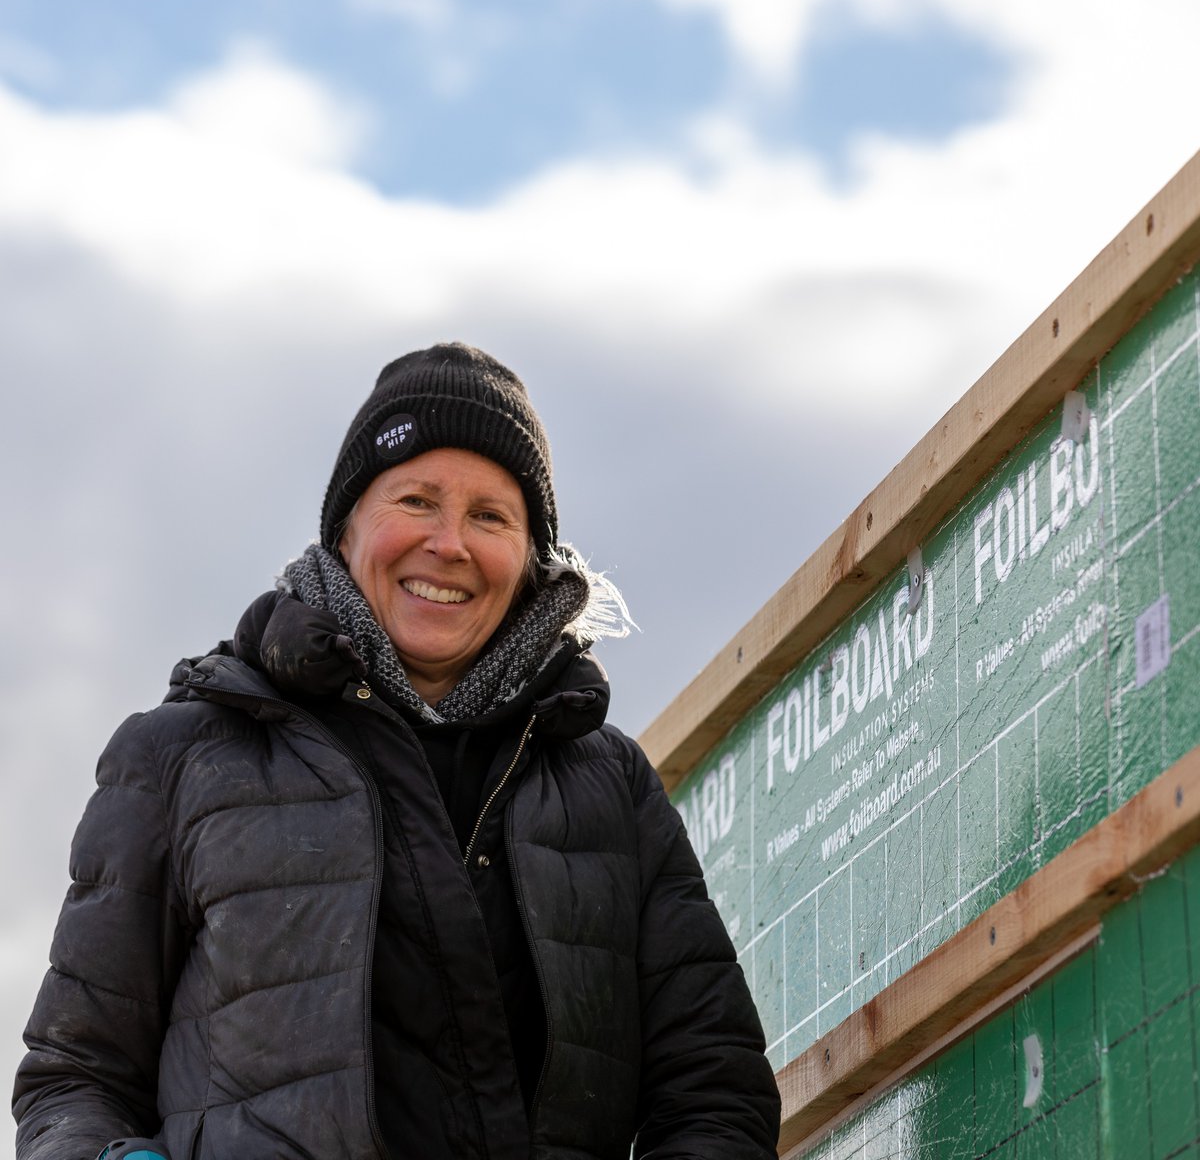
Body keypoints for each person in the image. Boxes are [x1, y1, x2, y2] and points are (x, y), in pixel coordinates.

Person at [13, 344, 781, 1160]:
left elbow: (714, 1091)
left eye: (491, 516)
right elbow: (74, 1079)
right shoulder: (182, 756)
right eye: (416, 501)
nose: (449, 544)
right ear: (345, 530)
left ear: (530, 559)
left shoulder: (609, 786)